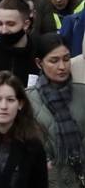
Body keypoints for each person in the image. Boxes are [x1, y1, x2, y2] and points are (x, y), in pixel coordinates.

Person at [27, 34, 85, 188]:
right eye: (54, 60)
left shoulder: (82, 94)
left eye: (66, 59)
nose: (62, 66)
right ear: (39, 63)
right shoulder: (26, 101)